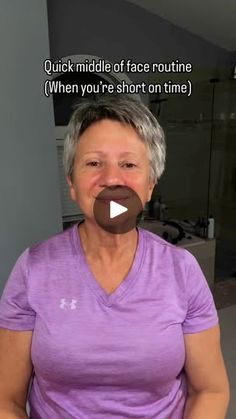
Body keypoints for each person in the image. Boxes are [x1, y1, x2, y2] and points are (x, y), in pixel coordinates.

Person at [0, 95, 230, 418]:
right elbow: (5, 399)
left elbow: (211, 389)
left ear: (150, 185)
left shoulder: (182, 271)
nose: (111, 179)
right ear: (72, 183)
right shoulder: (33, 269)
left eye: (129, 164)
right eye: (94, 163)